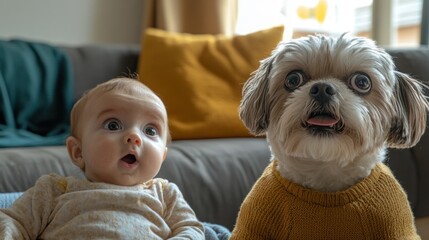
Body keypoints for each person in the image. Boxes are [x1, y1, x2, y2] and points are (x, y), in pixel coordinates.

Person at [0, 78, 205, 239]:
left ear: (162, 156)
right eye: (113, 125)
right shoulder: (54, 191)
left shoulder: (165, 195)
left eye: (150, 130)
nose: (134, 136)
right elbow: (14, 222)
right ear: (78, 152)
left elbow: (191, 229)